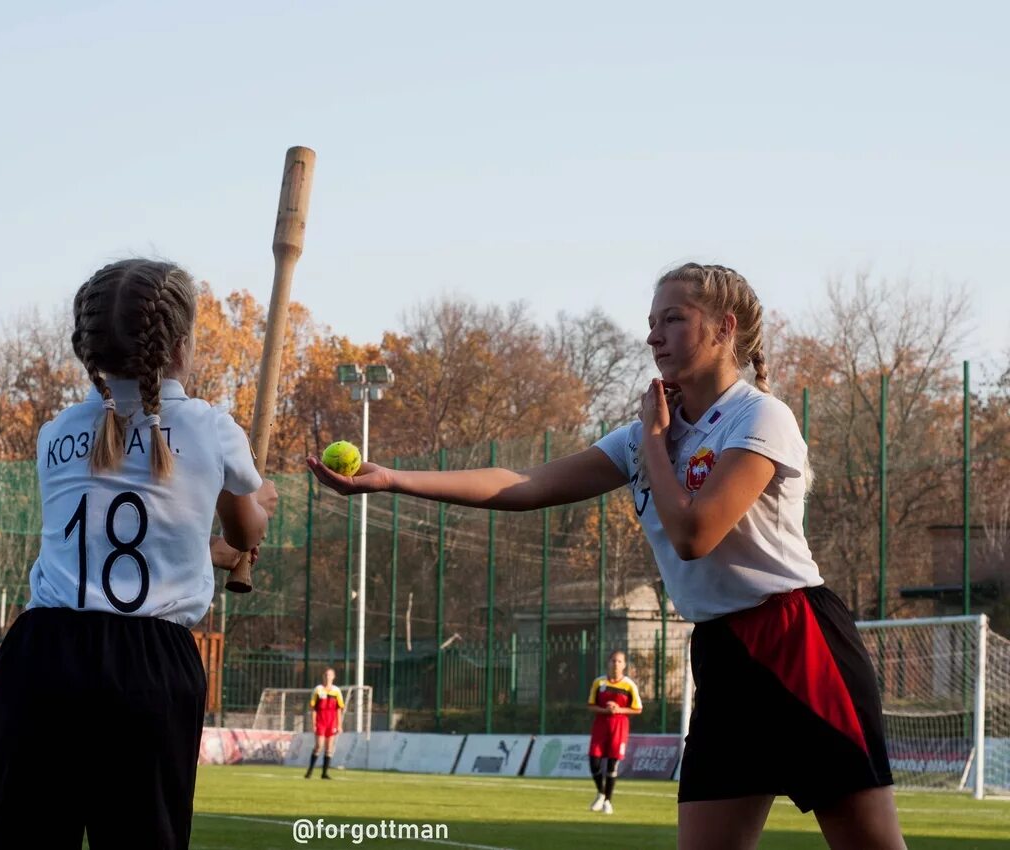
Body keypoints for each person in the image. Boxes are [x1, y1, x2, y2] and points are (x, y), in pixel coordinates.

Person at [307, 263, 905, 850]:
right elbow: (526, 483)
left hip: (796, 644)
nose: (653, 336)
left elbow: (696, 535)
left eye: (673, 318)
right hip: (722, 654)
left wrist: (651, 443)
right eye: (651, 321)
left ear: (724, 328)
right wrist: (392, 480)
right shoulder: (645, 432)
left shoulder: (758, 417)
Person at [0, 259, 276, 850]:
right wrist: (258, 500)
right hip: (150, 665)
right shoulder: (209, 427)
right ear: (181, 347)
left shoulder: (56, 431)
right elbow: (245, 534)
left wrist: (204, 552)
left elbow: (110, 533)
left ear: (88, 348)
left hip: (44, 657)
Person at [587, 650, 642, 814]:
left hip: (619, 727)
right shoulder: (599, 682)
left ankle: (608, 802)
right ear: (608, 663)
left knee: (612, 764)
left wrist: (619, 710)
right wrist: (605, 710)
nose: (615, 664)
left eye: (619, 661)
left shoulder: (629, 685)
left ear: (624, 665)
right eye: (613, 661)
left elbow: (638, 709)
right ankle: (601, 793)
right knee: (594, 762)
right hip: (600, 725)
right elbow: (590, 705)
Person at [305, 667, 345, 779]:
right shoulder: (318, 689)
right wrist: (313, 724)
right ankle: (310, 771)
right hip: (321, 722)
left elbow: (338, 709)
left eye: (330, 675)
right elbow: (314, 708)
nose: (328, 677)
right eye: (326, 675)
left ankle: (324, 773)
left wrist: (339, 725)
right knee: (319, 746)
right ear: (323, 676)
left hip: (332, 723)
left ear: (334, 677)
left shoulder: (337, 691)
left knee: (329, 748)